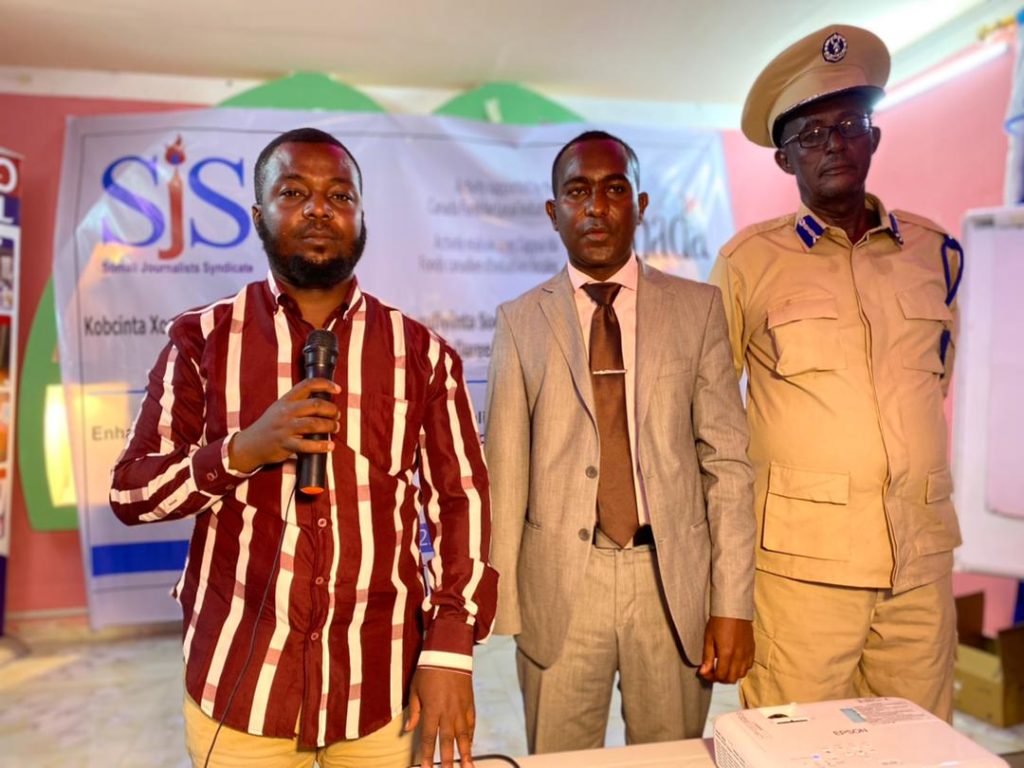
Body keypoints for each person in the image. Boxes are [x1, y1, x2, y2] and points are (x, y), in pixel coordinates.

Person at [110, 127, 498, 768]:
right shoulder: (200, 341)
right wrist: (242, 451)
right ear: (258, 215)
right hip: (241, 688)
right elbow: (132, 491)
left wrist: (451, 647)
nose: (320, 208)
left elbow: (461, 504)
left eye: (340, 195)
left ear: (362, 218)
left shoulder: (422, 354)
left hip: (384, 684)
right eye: (294, 191)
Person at [709, 25, 963, 720]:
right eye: (812, 135)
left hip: (918, 561)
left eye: (850, 125)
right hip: (802, 573)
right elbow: (710, 421)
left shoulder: (935, 254)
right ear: (786, 159)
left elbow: (934, 384)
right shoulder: (748, 265)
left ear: (874, 138)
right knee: (797, 746)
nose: (834, 146)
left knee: (920, 744)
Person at [486, 131, 756, 753]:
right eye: (577, 192)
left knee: (671, 757)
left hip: (671, 581)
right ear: (553, 213)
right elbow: (504, 468)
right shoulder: (520, 320)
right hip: (560, 585)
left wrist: (733, 601)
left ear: (640, 204)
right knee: (559, 759)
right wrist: (499, 600)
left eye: (613, 190)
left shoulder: (697, 310)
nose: (595, 207)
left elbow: (728, 465)